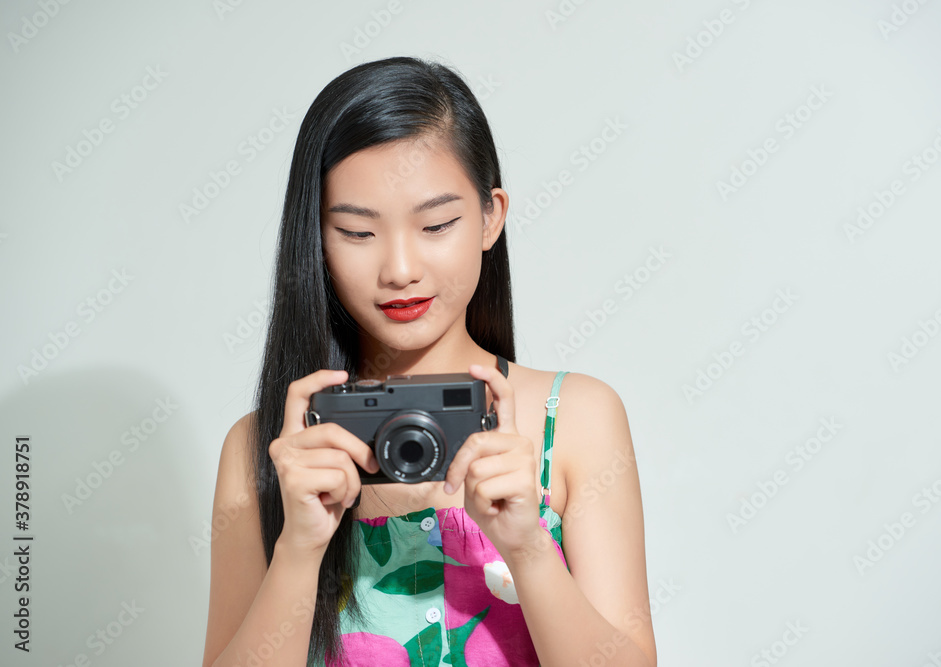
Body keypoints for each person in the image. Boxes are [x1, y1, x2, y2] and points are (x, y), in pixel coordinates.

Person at [201, 56, 656, 667]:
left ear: (491, 216)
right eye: (358, 233)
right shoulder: (266, 447)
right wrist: (299, 550)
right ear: (317, 238)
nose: (400, 269)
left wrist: (526, 547)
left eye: (437, 224)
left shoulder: (573, 418)